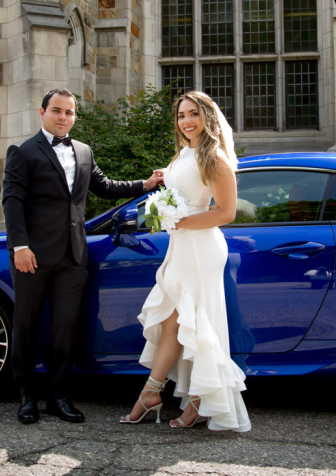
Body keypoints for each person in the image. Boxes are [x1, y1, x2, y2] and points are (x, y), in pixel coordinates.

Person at [3, 88, 162, 425]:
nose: (63, 117)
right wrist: (19, 246)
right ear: (43, 112)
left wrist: (145, 185)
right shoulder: (23, 151)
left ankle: (58, 397)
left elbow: (106, 187)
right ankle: (26, 396)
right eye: (57, 111)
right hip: (33, 256)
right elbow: (12, 201)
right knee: (26, 327)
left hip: (74, 257)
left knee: (66, 329)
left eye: (70, 112)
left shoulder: (84, 151)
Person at [119, 90, 251, 431]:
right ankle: (191, 401)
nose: (186, 121)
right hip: (180, 246)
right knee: (175, 322)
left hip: (201, 247)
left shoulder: (215, 158)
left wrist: (178, 221)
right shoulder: (183, 155)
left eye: (193, 114)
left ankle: (153, 393)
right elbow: (180, 193)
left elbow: (227, 212)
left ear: (207, 117)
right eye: (180, 115)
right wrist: (162, 203)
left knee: (182, 319)